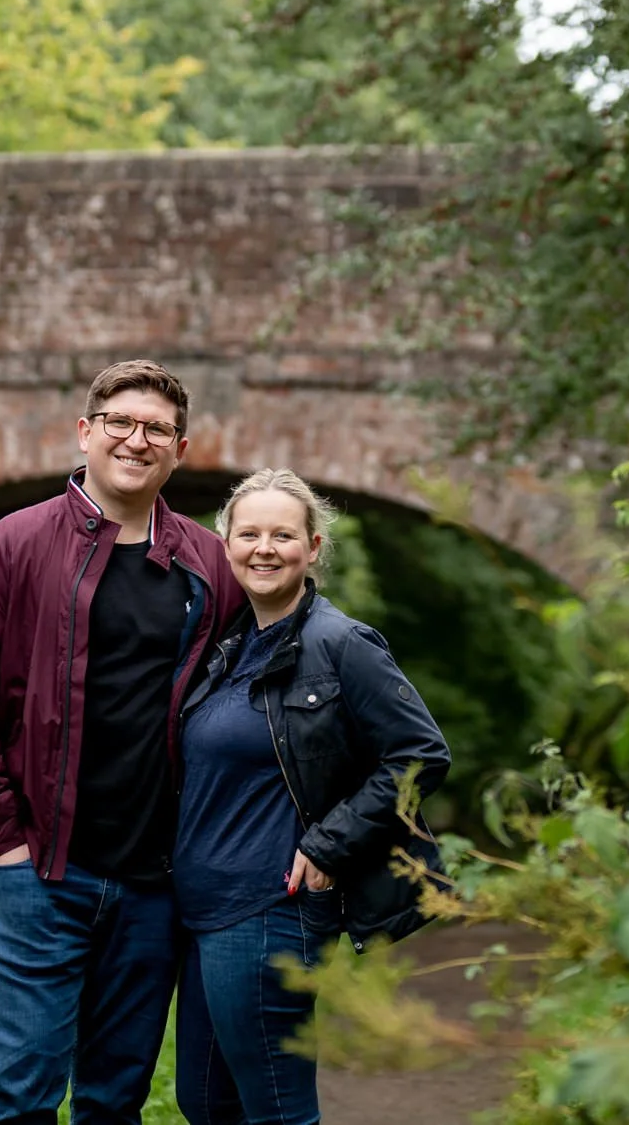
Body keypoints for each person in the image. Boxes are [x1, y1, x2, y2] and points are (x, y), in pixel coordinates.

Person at [0, 359, 246, 1125]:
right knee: (21, 1099)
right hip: (38, 874)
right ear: (86, 432)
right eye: (121, 423)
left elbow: (259, 694)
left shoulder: (209, 564)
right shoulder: (13, 544)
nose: (138, 440)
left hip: (153, 885)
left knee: (113, 1103)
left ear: (181, 448)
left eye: (157, 429)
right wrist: (0, 835)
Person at [171, 468, 452, 1125]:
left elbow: (420, 753)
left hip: (271, 907)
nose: (264, 547)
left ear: (313, 547)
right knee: (206, 1101)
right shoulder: (227, 647)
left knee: (277, 1108)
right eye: (249, 533)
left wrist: (329, 842)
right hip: (201, 909)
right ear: (226, 542)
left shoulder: (341, 644)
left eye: (283, 534)